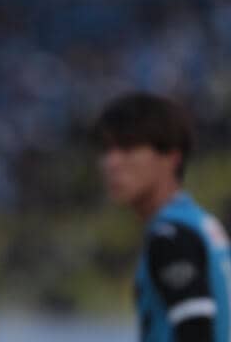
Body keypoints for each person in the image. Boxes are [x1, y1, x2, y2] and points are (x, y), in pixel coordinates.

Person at [95, 92, 231, 342]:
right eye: (107, 149)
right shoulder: (200, 223)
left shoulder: (170, 237)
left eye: (128, 148)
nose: (112, 162)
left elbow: (197, 333)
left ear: (172, 158)